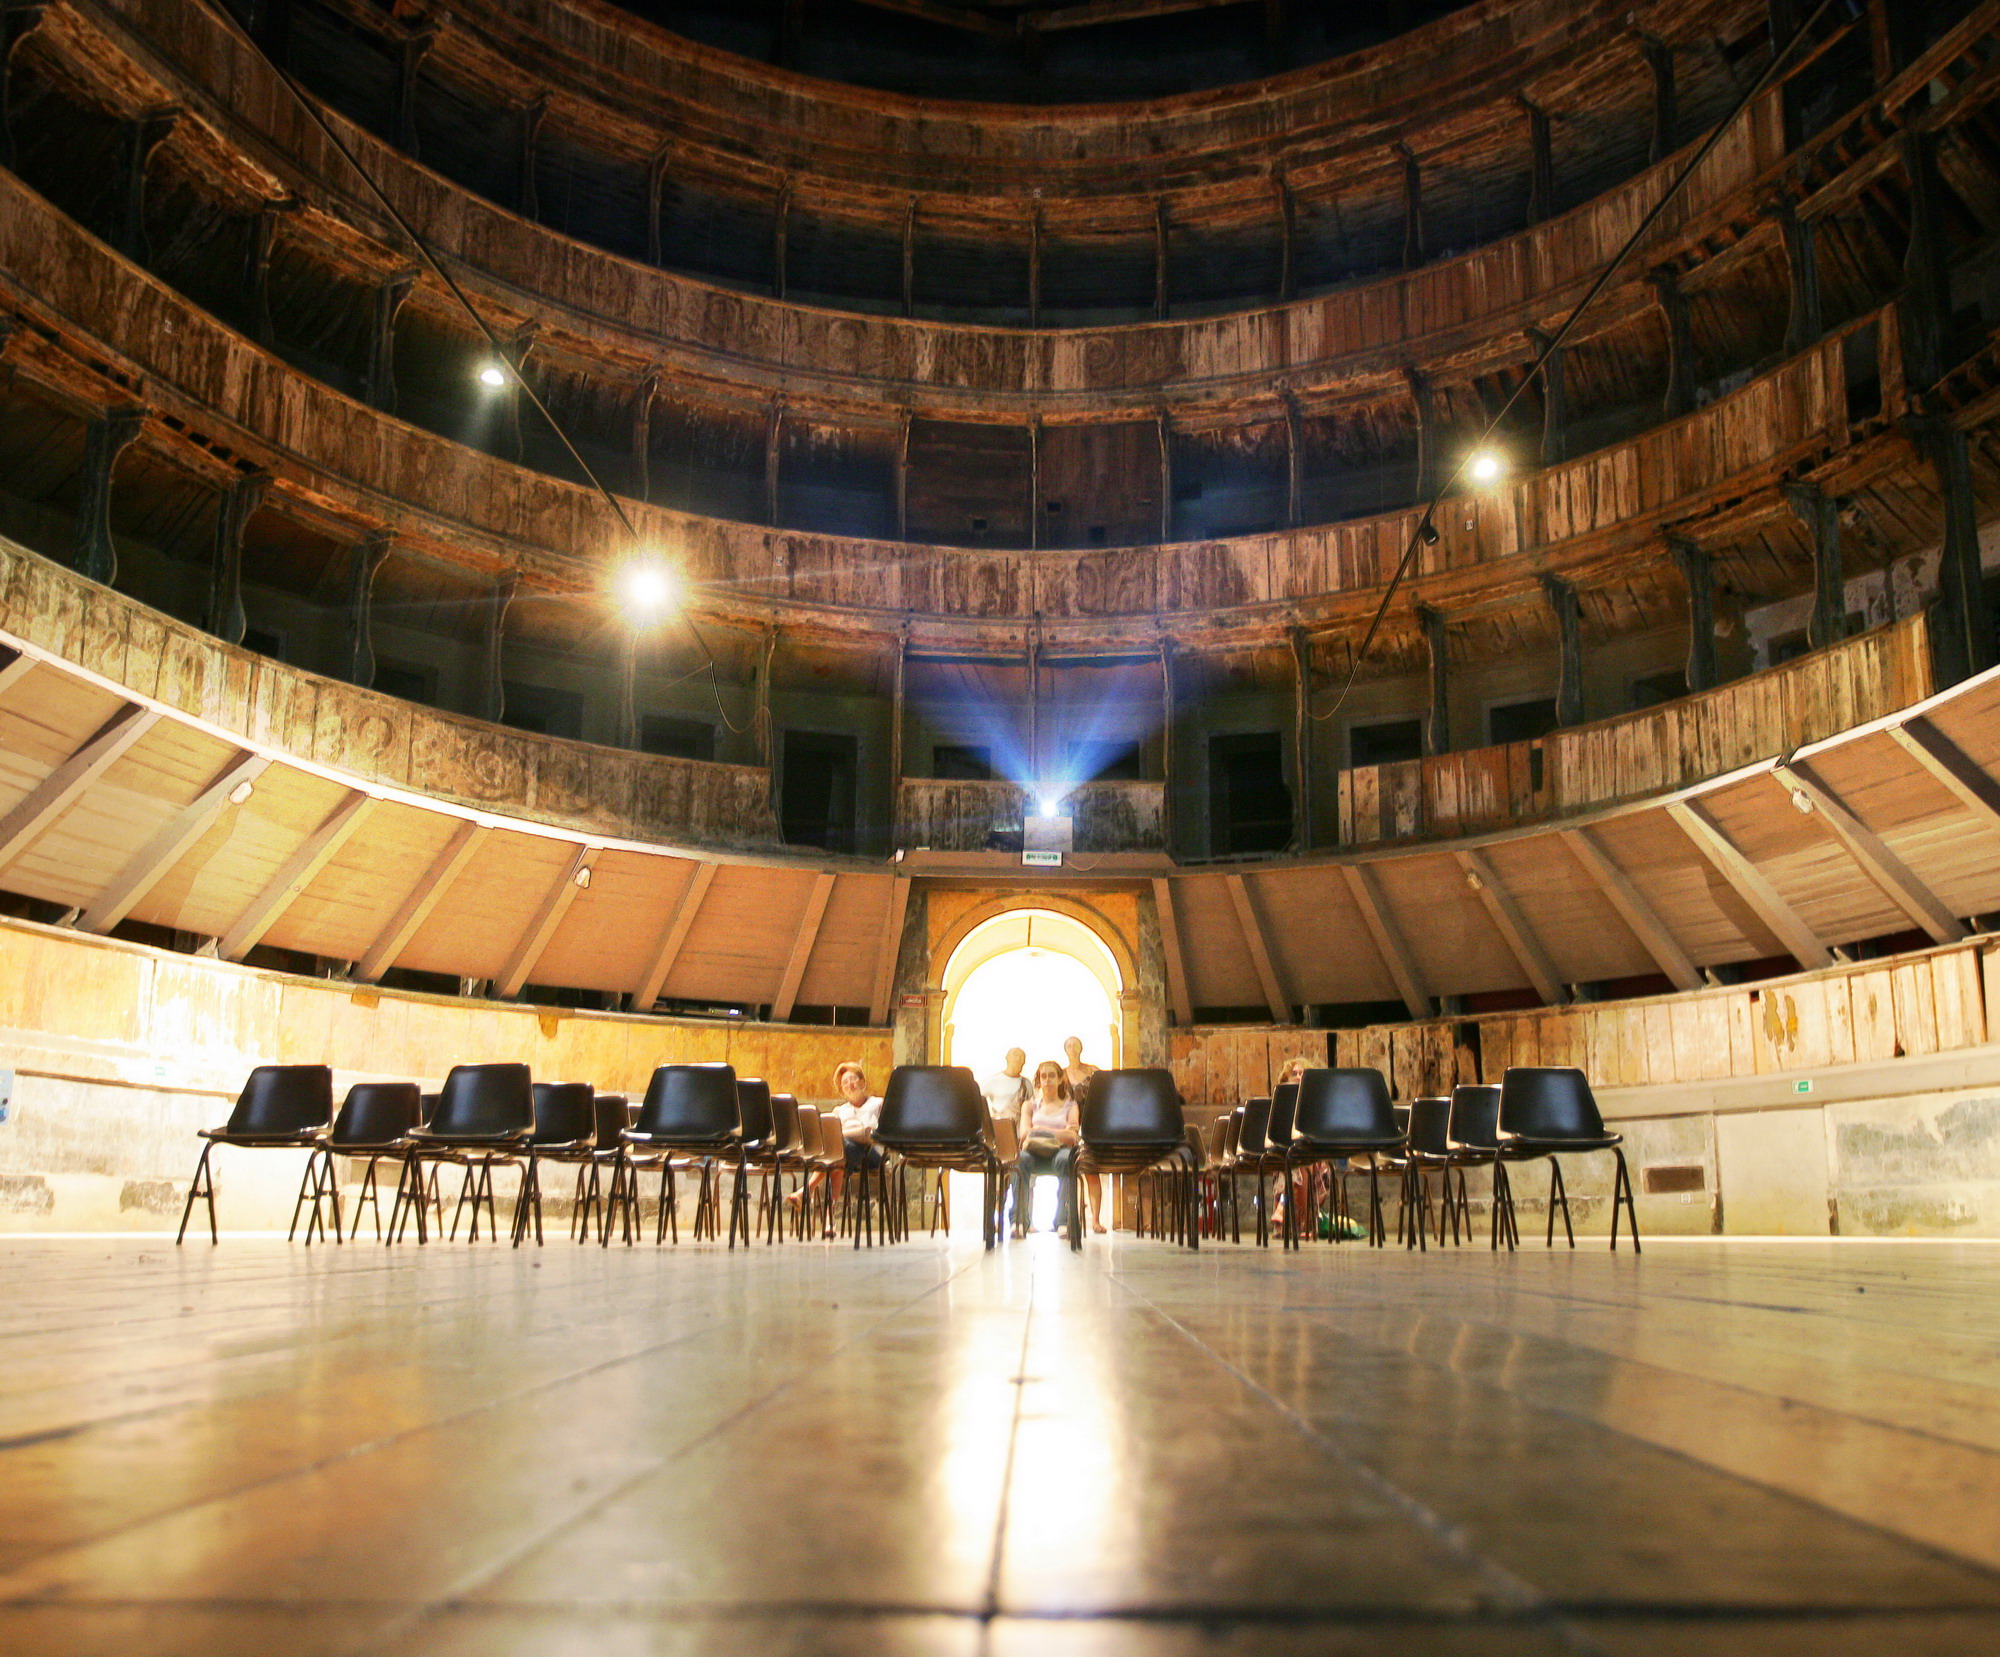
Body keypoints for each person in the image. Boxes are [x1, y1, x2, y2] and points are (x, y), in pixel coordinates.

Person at [1013, 1060, 1078, 1236]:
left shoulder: (1070, 1106)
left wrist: (1041, 1130)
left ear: (1060, 1079)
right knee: (1020, 1161)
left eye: (1051, 1076)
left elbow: (1072, 1136)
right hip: (1033, 1152)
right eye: (1043, 1076)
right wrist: (1058, 1133)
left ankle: (1063, 1222)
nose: (1047, 1080)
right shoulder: (1030, 1105)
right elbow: (1025, 1133)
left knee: (1067, 1159)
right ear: (1039, 1080)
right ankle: (1019, 1221)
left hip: (1059, 1152)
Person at [1061, 1035, 1107, 1234]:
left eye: (1075, 1045)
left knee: (1091, 1171)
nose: (1072, 1048)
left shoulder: (1093, 1071)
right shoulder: (1060, 1074)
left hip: (1090, 1124)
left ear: (1081, 1048)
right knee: (1067, 1171)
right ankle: (1068, 1218)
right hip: (1068, 1125)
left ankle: (1095, 1220)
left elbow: (1105, 1093)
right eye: (1069, 1045)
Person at [981, 1048, 1029, 1125]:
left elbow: (1033, 1107)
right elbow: (977, 1102)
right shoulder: (993, 1081)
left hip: (1020, 1129)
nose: (1018, 1059)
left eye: (1022, 1056)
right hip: (999, 1129)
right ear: (1007, 1058)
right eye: (1015, 1055)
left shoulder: (1026, 1084)